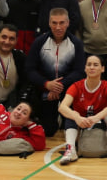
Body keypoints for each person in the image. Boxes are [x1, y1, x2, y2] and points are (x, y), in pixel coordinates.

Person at [25, 8, 86, 136]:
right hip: (45, 92)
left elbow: (79, 71)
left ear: (68, 23)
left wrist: (59, 86)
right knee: (47, 131)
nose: (58, 27)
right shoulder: (39, 42)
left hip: (69, 93)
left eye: (62, 23)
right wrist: (46, 84)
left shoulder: (76, 44)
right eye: (54, 23)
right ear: (49, 23)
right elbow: (30, 70)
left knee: (71, 130)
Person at [56, 54, 107, 164]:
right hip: (81, 122)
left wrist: (96, 117)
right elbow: (62, 107)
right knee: (71, 114)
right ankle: (70, 150)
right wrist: (77, 118)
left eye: (95, 65)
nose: (91, 67)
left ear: (102, 69)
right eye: (89, 65)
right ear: (85, 68)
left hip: (100, 120)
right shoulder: (76, 86)